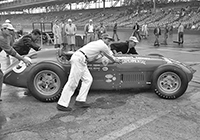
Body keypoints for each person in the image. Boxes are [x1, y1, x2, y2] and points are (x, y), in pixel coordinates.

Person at [57, 33, 121, 111]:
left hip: (82, 60)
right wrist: (116, 60)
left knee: (88, 79)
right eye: (108, 40)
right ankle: (62, 104)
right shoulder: (102, 45)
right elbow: (110, 55)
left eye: (110, 41)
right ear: (103, 39)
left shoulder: (96, 44)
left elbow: (93, 58)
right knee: (73, 82)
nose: (109, 42)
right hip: (79, 59)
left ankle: (80, 100)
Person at [0, 23, 31, 101]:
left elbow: (11, 46)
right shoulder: (1, 38)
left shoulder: (7, 36)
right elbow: (10, 51)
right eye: (9, 30)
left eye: (12, 30)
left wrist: (11, 36)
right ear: (3, 29)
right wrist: (22, 59)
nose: (11, 32)